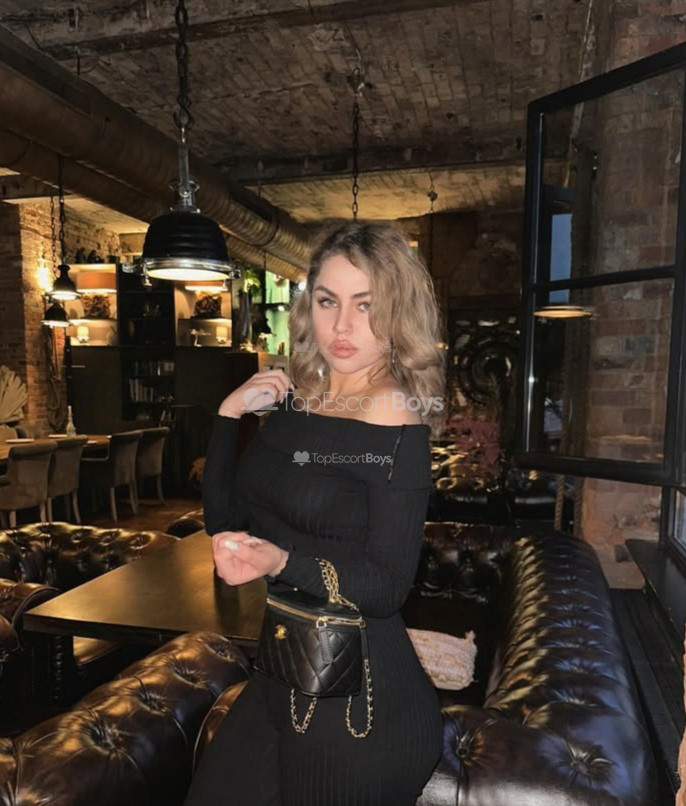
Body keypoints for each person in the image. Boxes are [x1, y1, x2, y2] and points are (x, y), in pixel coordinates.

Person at [184, 221, 448, 806]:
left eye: (366, 304)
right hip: (284, 667)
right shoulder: (301, 398)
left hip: (361, 703)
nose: (343, 326)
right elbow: (226, 520)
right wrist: (229, 415)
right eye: (328, 301)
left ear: (397, 310)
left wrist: (282, 561)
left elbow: (387, 586)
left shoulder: (394, 413)